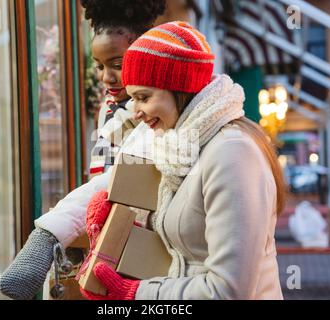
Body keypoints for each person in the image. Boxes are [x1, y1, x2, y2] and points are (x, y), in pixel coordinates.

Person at [79, 21, 286, 300]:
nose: (136, 111)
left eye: (143, 97)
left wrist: (137, 294)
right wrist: (125, 222)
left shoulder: (232, 153)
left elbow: (228, 291)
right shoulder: (178, 146)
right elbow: (183, 239)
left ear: (180, 88)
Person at [0, 0, 166, 300]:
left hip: (144, 257)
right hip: (114, 247)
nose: (106, 77)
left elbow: (117, 179)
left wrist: (49, 232)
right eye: (99, 66)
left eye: (117, 65)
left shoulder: (156, 116)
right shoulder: (111, 109)